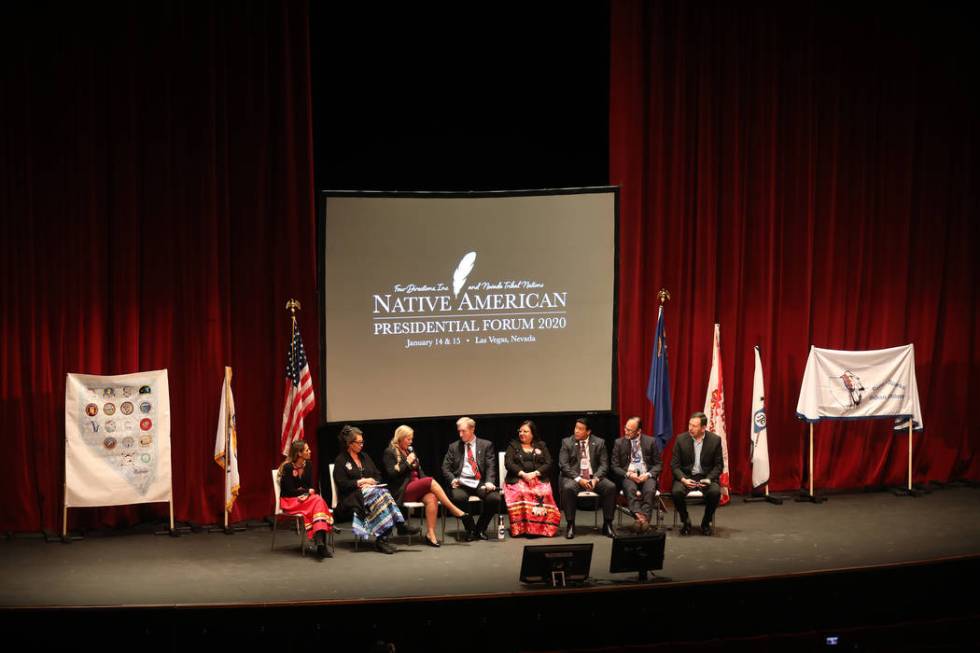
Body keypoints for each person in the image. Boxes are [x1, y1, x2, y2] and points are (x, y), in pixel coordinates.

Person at [383, 424, 475, 547]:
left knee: (432, 497)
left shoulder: (409, 451)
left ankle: (430, 534)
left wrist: (421, 475)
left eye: (412, 439)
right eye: (408, 439)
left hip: (416, 487)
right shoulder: (390, 452)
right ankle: (453, 509)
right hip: (403, 490)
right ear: (400, 438)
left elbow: (419, 472)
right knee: (430, 481)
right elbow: (392, 474)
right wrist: (407, 462)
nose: (411, 442)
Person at [332, 425, 406, 554]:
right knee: (381, 495)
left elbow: (377, 474)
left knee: (382, 493)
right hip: (351, 497)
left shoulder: (365, 457)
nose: (362, 445)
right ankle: (394, 529)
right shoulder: (341, 460)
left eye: (362, 442)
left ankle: (383, 539)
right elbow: (342, 484)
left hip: (371, 493)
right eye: (359, 442)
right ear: (350, 444)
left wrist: (372, 483)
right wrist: (361, 482)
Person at [441, 416, 501, 541]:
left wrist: (489, 482)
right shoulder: (454, 447)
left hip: (479, 482)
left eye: (463, 431)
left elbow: (491, 466)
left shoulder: (486, 445)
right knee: (459, 497)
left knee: (494, 498)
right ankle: (471, 529)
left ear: (472, 429)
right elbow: (445, 468)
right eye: (459, 431)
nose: (460, 434)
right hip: (461, 482)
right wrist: (453, 479)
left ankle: (480, 529)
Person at [558, 417, 617, 539]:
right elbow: (564, 465)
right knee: (568, 488)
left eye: (580, 429)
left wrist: (595, 479)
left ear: (588, 431)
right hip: (574, 478)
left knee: (610, 487)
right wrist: (580, 479)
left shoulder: (600, 443)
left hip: (593, 477)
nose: (576, 431)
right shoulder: (567, 442)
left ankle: (608, 524)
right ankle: (570, 524)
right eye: (576, 428)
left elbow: (604, 465)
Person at [502, 420, 561, 537]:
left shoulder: (541, 445)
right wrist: (523, 474)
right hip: (517, 479)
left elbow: (549, 463)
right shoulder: (513, 445)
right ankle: (522, 528)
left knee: (545, 492)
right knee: (522, 492)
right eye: (520, 431)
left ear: (532, 433)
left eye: (525, 431)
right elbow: (508, 463)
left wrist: (535, 473)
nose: (522, 433)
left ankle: (542, 528)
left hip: (538, 478)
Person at [277, 440, 335, 559]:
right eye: (307, 450)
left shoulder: (308, 465)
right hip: (290, 501)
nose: (310, 452)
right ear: (299, 453)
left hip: (305, 500)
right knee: (317, 500)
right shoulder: (288, 467)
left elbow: (310, 486)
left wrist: (306, 492)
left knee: (317, 500)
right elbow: (289, 491)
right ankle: (321, 543)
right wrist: (305, 491)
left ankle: (320, 542)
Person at [671, 412, 723, 536]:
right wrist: (683, 479)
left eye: (694, 426)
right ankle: (686, 521)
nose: (690, 428)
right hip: (687, 476)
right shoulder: (681, 439)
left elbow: (718, 466)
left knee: (715, 492)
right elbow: (674, 465)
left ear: (703, 428)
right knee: (676, 492)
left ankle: (706, 522)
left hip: (706, 477)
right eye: (690, 424)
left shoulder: (715, 440)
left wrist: (709, 479)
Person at [611, 416, 662, 532]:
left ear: (639, 431)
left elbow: (658, 464)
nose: (626, 432)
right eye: (626, 428)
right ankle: (643, 519)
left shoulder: (651, 441)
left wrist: (648, 475)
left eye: (630, 430)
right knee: (630, 489)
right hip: (629, 476)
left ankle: (640, 521)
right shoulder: (619, 443)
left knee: (649, 490)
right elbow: (614, 466)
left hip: (646, 475)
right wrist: (628, 475)